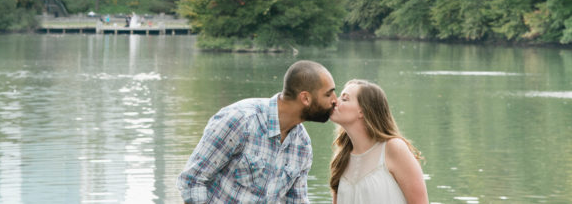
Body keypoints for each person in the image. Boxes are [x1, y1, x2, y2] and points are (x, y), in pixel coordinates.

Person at [177, 60, 337, 203]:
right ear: (305, 98)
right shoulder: (240, 120)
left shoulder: (302, 144)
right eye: (328, 94)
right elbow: (192, 180)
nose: (334, 100)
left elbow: (296, 200)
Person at [329, 80, 428, 204]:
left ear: (362, 111)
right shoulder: (341, 158)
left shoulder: (394, 148)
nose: (335, 102)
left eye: (344, 99)